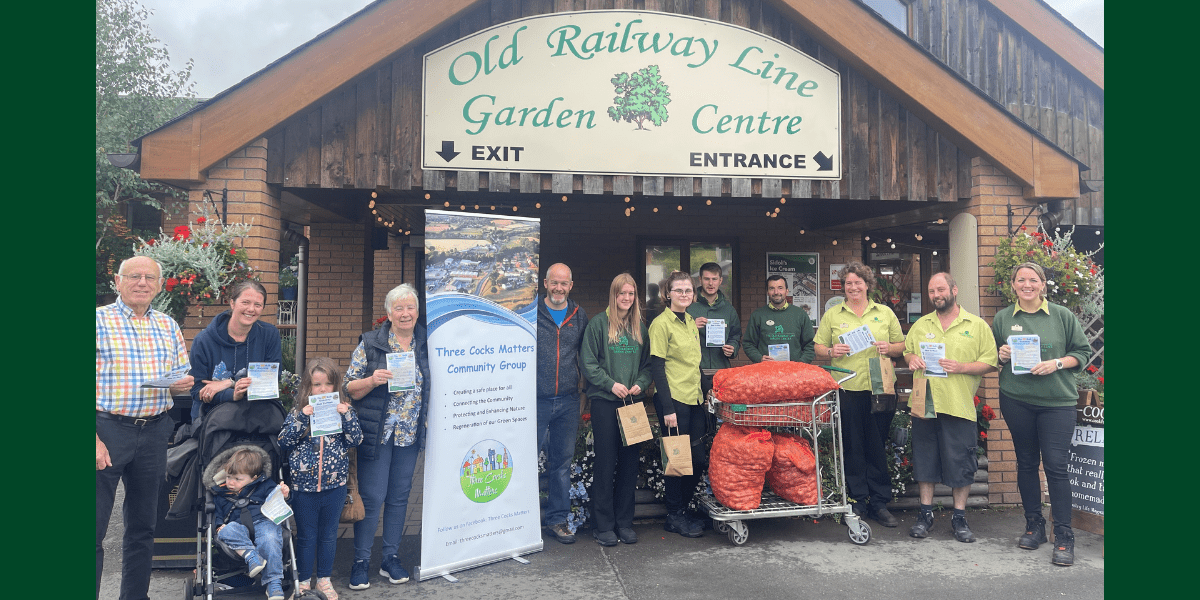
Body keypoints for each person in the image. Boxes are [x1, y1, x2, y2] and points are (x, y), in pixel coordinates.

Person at [97, 256, 195, 600]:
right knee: (92, 530)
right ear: (118, 281)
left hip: (154, 431)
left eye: (149, 277)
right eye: (134, 276)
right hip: (106, 430)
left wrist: (182, 383)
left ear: (159, 284)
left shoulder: (168, 325)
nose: (142, 282)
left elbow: (181, 375)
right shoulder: (97, 321)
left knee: (143, 527)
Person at [992, 262, 1092, 566]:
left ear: (1042, 284)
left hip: (1057, 402)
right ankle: (1034, 526)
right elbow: (994, 355)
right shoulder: (1002, 318)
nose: (1026, 285)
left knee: (1056, 466)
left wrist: (1057, 363)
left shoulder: (1062, 316)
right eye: (1020, 280)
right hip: (1016, 399)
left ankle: (1063, 535)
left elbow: (1083, 353)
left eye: (1032, 280)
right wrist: (1001, 354)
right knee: (1025, 462)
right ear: (1012, 285)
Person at [344, 283, 430, 589]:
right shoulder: (370, 343)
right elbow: (349, 387)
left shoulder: (427, 343)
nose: (405, 314)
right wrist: (372, 380)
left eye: (410, 308)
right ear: (388, 313)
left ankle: (390, 558)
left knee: (399, 497)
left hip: (409, 435)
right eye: (399, 308)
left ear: (417, 311)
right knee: (372, 496)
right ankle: (361, 560)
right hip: (378, 434)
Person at [903, 272, 998, 542]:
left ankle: (959, 517)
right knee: (925, 461)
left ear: (954, 290)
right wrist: (911, 360)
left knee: (961, 463)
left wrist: (962, 367)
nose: (936, 295)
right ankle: (925, 515)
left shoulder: (977, 325)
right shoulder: (921, 324)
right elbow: (909, 351)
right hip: (925, 405)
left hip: (959, 406)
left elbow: (990, 362)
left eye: (941, 289)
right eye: (932, 291)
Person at [813, 262, 905, 528]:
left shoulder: (885, 313)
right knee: (853, 446)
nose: (853, 288)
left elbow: (902, 346)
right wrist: (832, 352)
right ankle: (858, 501)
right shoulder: (833, 314)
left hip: (880, 387)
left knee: (877, 446)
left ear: (867, 284)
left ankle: (879, 503)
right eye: (848, 284)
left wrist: (890, 347)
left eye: (858, 283)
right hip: (848, 388)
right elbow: (818, 347)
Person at [279, 357, 364, 598]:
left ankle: (324, 580)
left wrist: (347, 416)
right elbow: (283, 441)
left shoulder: (345, 411)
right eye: (317, 385)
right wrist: (303, 417)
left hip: (334, 487)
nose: (323, 389)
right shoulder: (297, 412)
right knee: (306, 536)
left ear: (336, 386)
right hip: (304, 490)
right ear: (308, 387)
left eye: (328, 384)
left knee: (328, 536)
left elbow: (356, 440)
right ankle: (304, 581)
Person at [581, 273, 653, 546]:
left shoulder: (639, 328)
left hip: (633, 404)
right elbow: (588, 363)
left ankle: (625, 523)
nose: (626, 298)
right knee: (606, 462)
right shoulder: (598, 324)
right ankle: (603, 525)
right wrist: (610, 384)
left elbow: (647, 366)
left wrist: (640, 384)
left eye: (631, 294)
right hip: (605, 403)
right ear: (614, 295)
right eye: (622, 293)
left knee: (629, 463)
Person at [648, 270, 705, 538]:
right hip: (673, 400)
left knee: (697, 459)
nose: (684, 294)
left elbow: (695, 364)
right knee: (676, 460)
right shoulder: (661, 324)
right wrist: (668, 408)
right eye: (679, 290)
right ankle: (674, 515)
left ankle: (682, 508)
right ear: (667, 294)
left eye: (688, 290)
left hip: (693, 397)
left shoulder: (691, 321)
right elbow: (657, 366)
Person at [535, 262, 589, 544]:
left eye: (563, 284)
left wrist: (583, 394)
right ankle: (523, 521)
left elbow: (587, 357)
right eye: (554, 282)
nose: (558, 288)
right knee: (525, 460)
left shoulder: (579, 316)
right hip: (534, 400)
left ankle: (557, 520)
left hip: (568, 400)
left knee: (561, 464)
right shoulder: (531, 313)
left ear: (571, 286)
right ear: (545, 283)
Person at [190, 279, 283, 423]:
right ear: (232, 303)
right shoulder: (203, 340)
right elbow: (197, 389)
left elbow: (271, 379)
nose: (251, 309)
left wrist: (229, 383)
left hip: (255, 418)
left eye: (257, 305)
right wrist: (231, 394)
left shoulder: (269, 335)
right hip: (212, 422)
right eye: (245, 302)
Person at [210, 448, 290, 600]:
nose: (230, 482)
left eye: (237, 479)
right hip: (236, 527)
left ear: (254, 478)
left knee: (270, 539)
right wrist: (219, 525)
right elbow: (217, 514)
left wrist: (283, 494)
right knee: (224, 531)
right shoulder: (220, 493)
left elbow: (277, 501)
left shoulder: (265, 485)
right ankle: (252, 557)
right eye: (228, 477)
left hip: (264, 522)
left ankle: (273, 582)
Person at [686, 262, 742, 401]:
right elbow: (675, 336)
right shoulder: (689, 306)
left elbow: (735, 335)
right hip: (694, 370)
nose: (711, 283)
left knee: (720, 415)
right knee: (698, 416)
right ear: (700, 280)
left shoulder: (728, 309)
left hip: (721, 370)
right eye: (706, 279)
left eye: (714, 279)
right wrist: (691, 326)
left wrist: (732, 348)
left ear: (720, 280)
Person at [744, 274, 815, 363]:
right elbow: (748, 344)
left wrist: (801, 364)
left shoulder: (800, 314)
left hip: (794, 372)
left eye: (780, 288)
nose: (776, 292)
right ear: (767, 292)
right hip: (766, 371)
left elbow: (810, 345)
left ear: (787, 291)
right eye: (772, 288)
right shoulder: (757, 315)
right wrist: (759, 358)